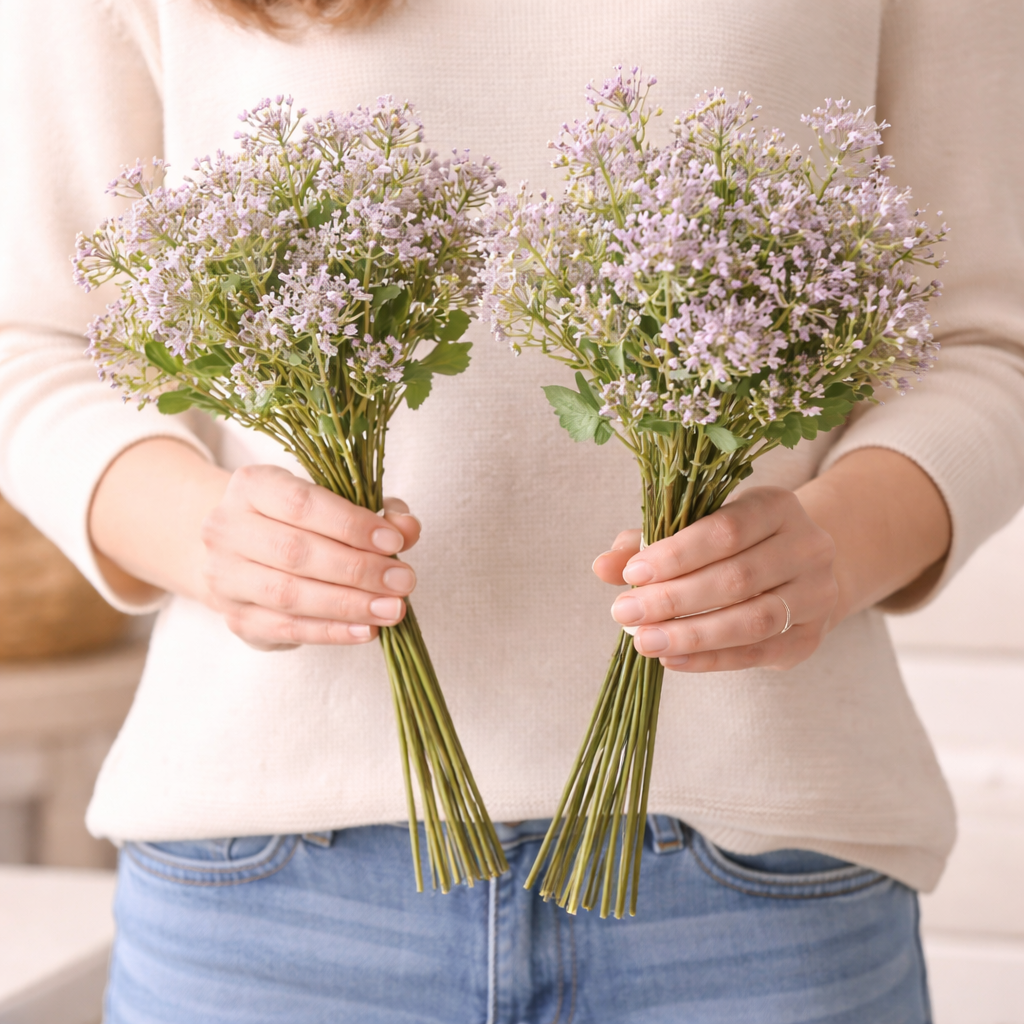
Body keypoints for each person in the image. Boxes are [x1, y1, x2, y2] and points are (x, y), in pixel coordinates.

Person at [2, 0, 1022, 1020]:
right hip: (274, 902)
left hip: (754, 900)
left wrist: (837, 545)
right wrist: (207, 534)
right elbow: (32, 337)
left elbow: (988, 338)